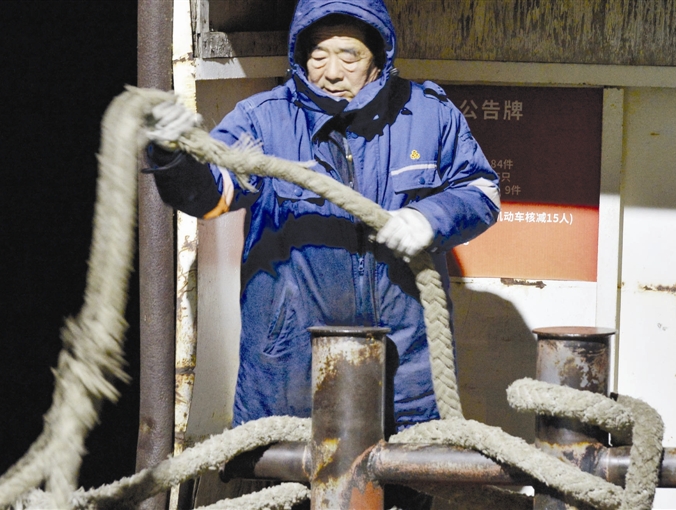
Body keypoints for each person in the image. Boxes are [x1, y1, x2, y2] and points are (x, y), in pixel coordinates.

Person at [146, 0, 499, 434]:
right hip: (287, 382)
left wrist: (429, 217)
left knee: (405, 475)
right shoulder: (262, 121)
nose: (331, 72)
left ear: (378, 57)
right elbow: (211, 195)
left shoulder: (428, 114)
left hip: (407, 384)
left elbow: (481, 192)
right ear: (299, 55)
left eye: (349, 56)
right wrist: (172, 155)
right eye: (318, 55)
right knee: (281, 480)